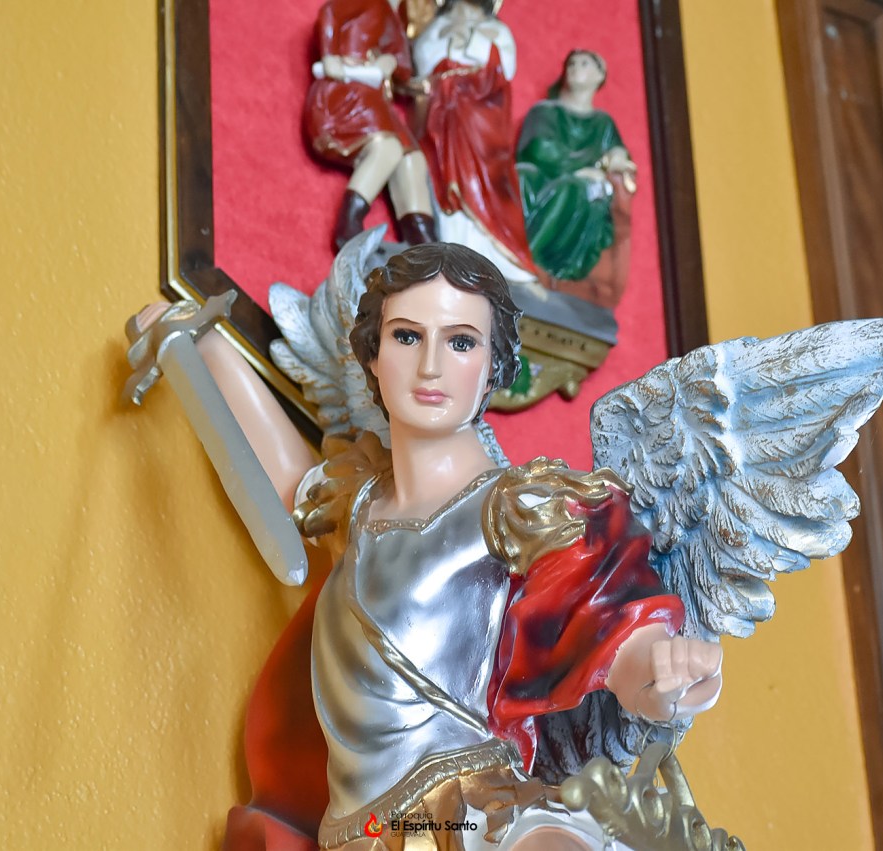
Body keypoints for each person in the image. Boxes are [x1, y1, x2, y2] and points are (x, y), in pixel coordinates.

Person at [136, 243, 722, 849]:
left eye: (461, 342)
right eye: (407, 336)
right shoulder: (357, 500)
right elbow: (286, 483)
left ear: (494, 365)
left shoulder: (519, 508)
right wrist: (202, 343)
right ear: (373, 355)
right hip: (361, 831)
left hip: (474, 811)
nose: (431, 366)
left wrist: (667, 669)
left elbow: (610, 628)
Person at [410, 1, 540, 285]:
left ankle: (493, 252)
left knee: (486, 178)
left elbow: (507, 67)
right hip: (443, 112)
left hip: (482, 111)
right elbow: (422, 60)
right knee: (442, 172)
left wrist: (471, 39)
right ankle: (453, 243)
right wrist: (449, 39)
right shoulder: (439, 25)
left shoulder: (496, 29)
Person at [305, 0, 437, 248]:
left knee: (412, 159)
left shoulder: (393, 14)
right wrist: (330, 55)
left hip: (375, 100)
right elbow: (329, 14)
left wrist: (390, 62)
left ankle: (423, 241)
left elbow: (402, 65)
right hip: (346, 93)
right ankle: (349, 224)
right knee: (387, 148)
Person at [516, 50, 638, 283]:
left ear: (600, 75)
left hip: (579, 187)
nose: (574, 68)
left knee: (570, 188)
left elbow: (617, 154)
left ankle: (529, 261)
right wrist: (583, 168)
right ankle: (512, 252)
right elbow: (538, 148)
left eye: (584, 64)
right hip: (545, 175)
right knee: (522, 175)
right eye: (571, 64)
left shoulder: (603, 123)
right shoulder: (545, 111)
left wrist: (613, 159)